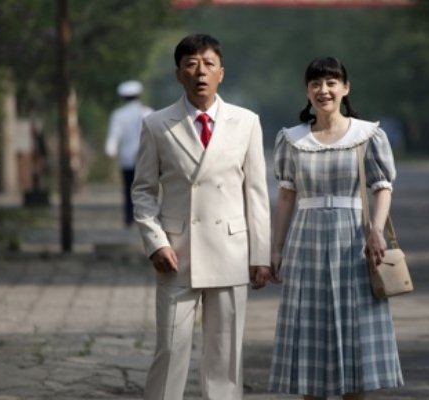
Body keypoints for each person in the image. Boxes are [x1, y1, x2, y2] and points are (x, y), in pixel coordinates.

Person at [131, 33, 271, 400]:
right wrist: (155, 243)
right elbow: (143, 191)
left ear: (221, 73)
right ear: (178, 74)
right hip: (177, 253)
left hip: (231, 251)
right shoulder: (157, 125)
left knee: (225, 355)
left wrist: (261, 255)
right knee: (170, 350)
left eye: (209, 64)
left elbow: (256, 193)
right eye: (191, 65)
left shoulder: (246, 122)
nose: (200, 72)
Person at [268, 57, 404, 399]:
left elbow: (382, 187)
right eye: (316, 83)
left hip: (354, 240)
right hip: (306, 241)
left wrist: (376, 230)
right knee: (309, 332)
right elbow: (286, 196)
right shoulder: (292, 139)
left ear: (345, 88)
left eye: (331, 82)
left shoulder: (367, 135)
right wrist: (276, 248)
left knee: (355, 332)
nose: (323, 90)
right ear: (307, 91)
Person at [105, 80, 154, 227]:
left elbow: (114, 135)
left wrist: (110, 150)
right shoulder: (148, 112)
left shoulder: (118, 115)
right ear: (139, 95)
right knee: (146, 188)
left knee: (128, 188)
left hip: (127, 158)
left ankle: (129, 217)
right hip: (146, 157)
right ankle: (145, 216)